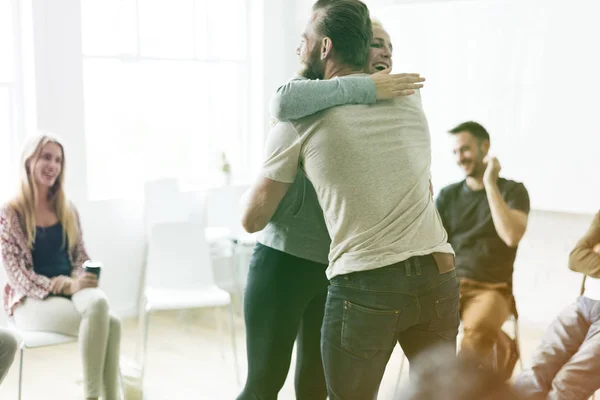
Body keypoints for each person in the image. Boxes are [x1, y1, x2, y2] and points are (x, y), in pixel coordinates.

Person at [241, 0, 458, 398]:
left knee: (315, 387)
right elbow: (286, 100)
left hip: (349, 269)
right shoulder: (319, 106)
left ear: (323, 47)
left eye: (387, 45)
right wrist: (367, 86)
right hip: (299, 260)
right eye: (374, 42)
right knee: (267, 383)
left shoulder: (393, 101)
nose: (384, 53)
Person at [0, 133, 121, 400]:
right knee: (111, 324)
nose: (53, 165)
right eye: (46, 157)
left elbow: (80, 257)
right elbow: (18, 276)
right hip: (30, 302)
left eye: (58, 160)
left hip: (70, 291)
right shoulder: (11, 212)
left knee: (101, 308)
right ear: (29, 160)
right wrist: (65, 286)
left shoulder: (68, 208)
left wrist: (77, 281)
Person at [435, 121, 530, 366]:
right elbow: (433, 246)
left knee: (475, 333)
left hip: (492, 289)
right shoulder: (448, 195)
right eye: (455, 152)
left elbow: (511, 235)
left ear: (484, 147)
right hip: (449, 286)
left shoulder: (513, 191)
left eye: (465, 149)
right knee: (426, 331)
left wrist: (490, 184)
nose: (460, 158)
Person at [513, 211, 600, 399]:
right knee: (535, 371)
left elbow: (585, 257)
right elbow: (576, 258)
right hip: (585, 305)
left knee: (569, 382)